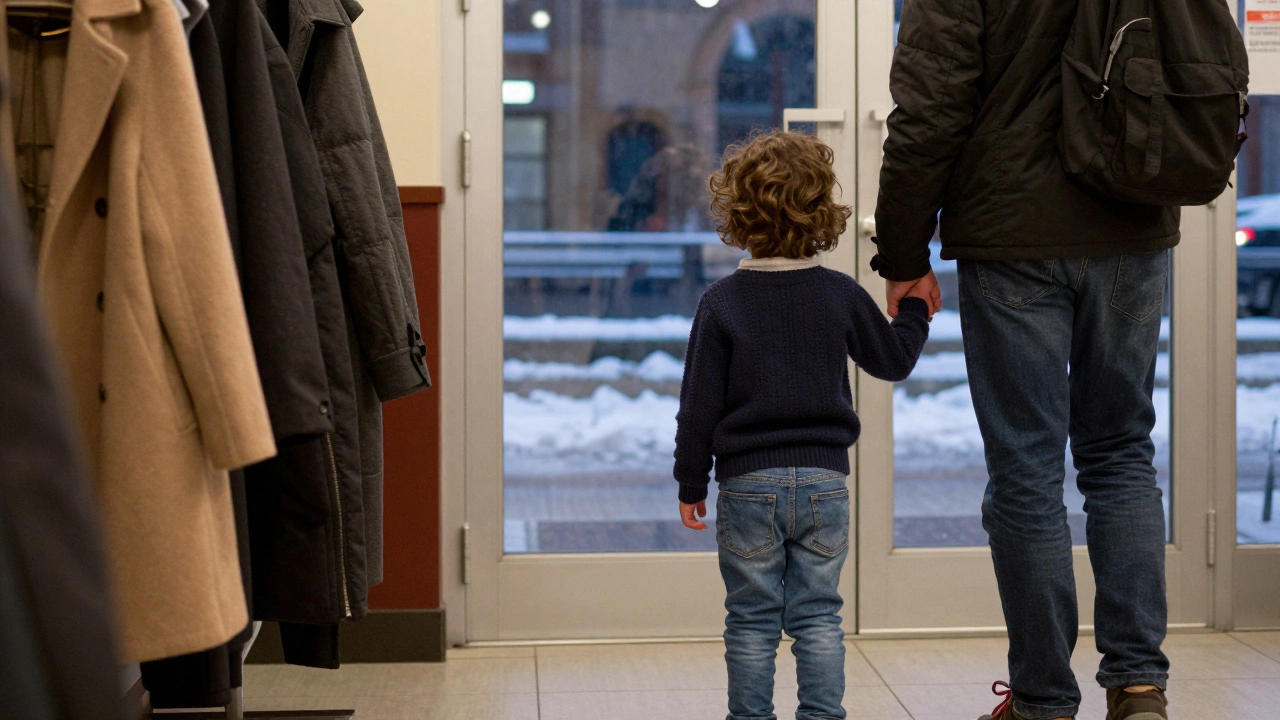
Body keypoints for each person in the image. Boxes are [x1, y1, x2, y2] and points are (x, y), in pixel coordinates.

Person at [873, 2, 1180, 720]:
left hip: (1012, 234)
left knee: (1026, 469)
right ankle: (1139, 687)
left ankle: (1043, 699)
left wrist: (903, 253)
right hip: (1131, 221)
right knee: (1121, 451)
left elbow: (928, 108)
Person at [674, 130, 937, 720]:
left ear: (736, 212)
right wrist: (916, 308)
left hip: (746, 486)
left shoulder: (720, 302)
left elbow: (698, 408)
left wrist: (691, 483)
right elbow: (892, 360)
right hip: (823, 485)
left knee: (750, 618)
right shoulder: (838, 294)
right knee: (819, 615)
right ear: (823, 211)